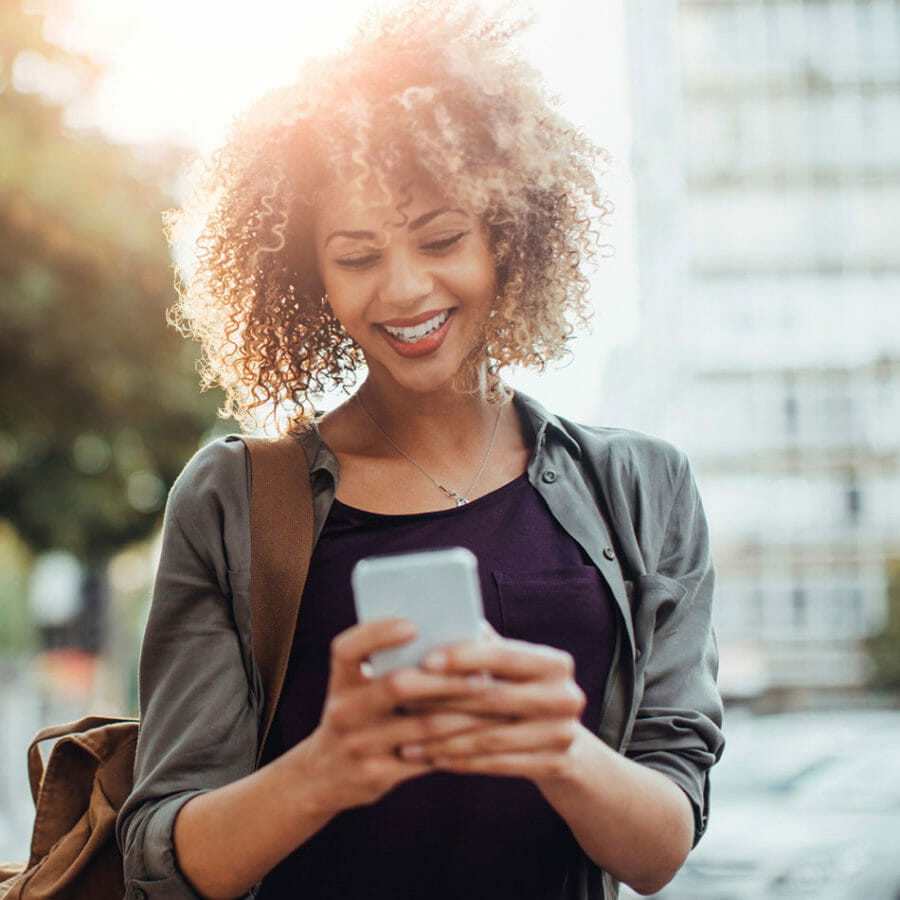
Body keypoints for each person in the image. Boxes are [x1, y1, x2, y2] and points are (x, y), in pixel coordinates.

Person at [117, 4, 724, 899]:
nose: (405, 290)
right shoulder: (234, 500)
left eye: (442, 239)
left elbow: (661, 848)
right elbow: (162, 855)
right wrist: (329, 764)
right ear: (308, 276)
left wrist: (559, 749)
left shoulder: (643, 487)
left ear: (509, 237)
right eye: (356, 256)